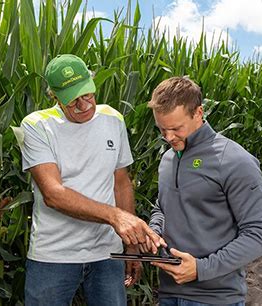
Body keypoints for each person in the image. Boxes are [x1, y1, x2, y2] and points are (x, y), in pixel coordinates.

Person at [20, 54, 165, 306]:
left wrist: (130, 245)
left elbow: (121, 182)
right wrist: (116, 217)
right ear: (54, 96)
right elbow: (53, 194)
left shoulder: (113, 118)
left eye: (87, 94)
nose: (84, 104)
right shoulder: (37, 125)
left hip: (106, 253)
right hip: (54, 255)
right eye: (73, 100)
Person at [145, 76, 262, 305]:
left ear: (198, 113)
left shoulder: (234, 161)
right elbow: (163, 207)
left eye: (176, 128)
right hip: (169, 295)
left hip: (215, 298)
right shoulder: (167, 159)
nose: (168, 137)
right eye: (162, 130)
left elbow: (259, 234)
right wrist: (155, 231)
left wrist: (201, 269)